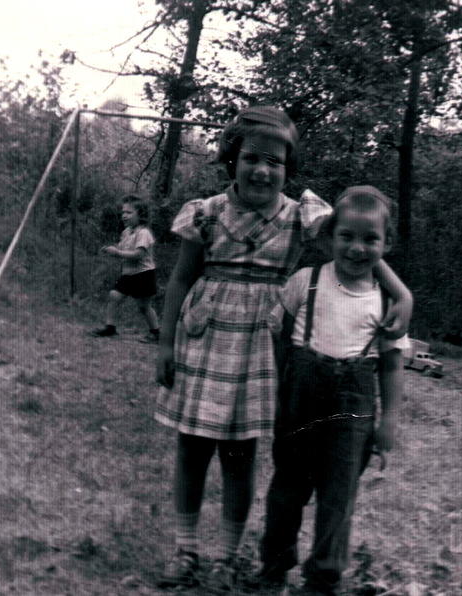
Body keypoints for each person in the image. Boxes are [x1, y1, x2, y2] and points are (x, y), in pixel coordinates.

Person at [153, 107, 412, 592]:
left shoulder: (301, 214)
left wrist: (402, 293)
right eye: (252, 158)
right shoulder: (205, 213)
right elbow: (180, 279)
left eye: (275, 162)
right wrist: (166, 343)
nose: (263, 170)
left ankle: (228, 556)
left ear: (288, 169)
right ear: (233, 160)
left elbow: (355, 244)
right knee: (191, 448)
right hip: (204, 340)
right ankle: (185, 549)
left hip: (263, 348)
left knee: (240, 453)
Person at [253, 185, 408, 596]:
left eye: (370, 239)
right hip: (300, 404)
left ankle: (323, 578)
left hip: (352, 413)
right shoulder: (307, 282)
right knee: (286, 490)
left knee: (338, 498)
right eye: (347, 236)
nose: (357, 248)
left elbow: (392, 364)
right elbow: (277, 332)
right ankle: (273, 566)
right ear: (330, 236)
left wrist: (389, 420)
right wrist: (285, 382)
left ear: (386, 244)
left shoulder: (385, 302)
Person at [90, 195, 160, 343]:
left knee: (144, 306)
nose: (124, 216)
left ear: (140, 215)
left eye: (129, 212)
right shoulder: (126, 232)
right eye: (123, 212)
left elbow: (139, 254)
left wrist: (118, 253)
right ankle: (110, 327)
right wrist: (112, 250)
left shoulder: (143, 233)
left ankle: (155, 332)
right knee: (114, 296)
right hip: (128, 274)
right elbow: (122, 249)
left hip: (143, 274)